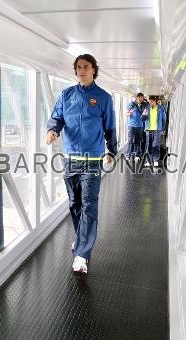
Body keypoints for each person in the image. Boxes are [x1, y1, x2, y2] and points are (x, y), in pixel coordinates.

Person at [46, 54, 117, 274]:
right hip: (71, 159)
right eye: (78, 67)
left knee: (89, 204)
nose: (82, 70)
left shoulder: (103, 97)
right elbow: (57, 117)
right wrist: (52, 130)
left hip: (93, 159)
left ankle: (82, 254)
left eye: (86, 67)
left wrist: (112, 150)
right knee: (75, 203)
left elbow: (110, 127)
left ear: (94, 70)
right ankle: (81, 239)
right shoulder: (67, 95)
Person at [142, 96, 166, 167]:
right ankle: (149, 161)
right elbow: (142, 119)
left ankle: (155, 160)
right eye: (149, 102)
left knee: (156, 145)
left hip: (157, 130)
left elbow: (164, 119)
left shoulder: (161, 108)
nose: (150, 103)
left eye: (151, 102)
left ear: (155, 101)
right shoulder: (147, 108)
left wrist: (163, 129)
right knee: (148, 146)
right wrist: (144, 114)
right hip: (148, 130)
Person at [125, 92, 145, 161]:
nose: (140, 99)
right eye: (139, 98)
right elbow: (126, 113)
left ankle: (137, 155)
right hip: (131, 126)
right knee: (130, 140)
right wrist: (129, 114)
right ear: (136, 98)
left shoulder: (144, 105)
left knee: (138, 141)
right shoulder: (132, 104)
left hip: (140, 126)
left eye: (142, 98)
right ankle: (128, 155)